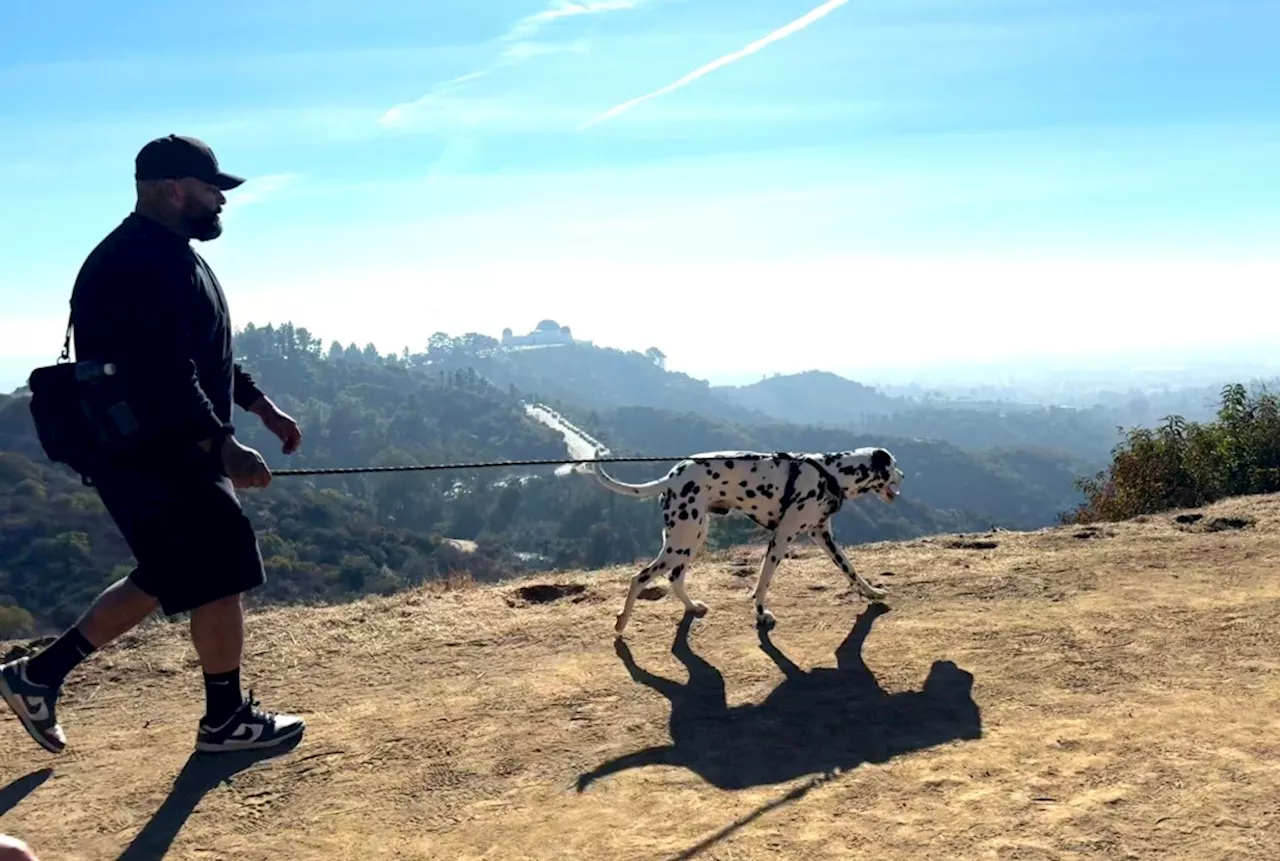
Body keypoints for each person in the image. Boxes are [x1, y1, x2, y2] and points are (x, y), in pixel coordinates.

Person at [0, 135, 305, 756]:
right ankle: (224, 719)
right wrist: (222, 445)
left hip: (161, 448)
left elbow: (204, 353)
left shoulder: (170, 253)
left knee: (172, 571)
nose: (220, 200)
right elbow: (161, 371)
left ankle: (37, 677)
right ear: (171, 188)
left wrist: (259, 406)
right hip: (155, 451)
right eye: (210, 187)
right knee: (220, 568)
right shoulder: (138, 261)